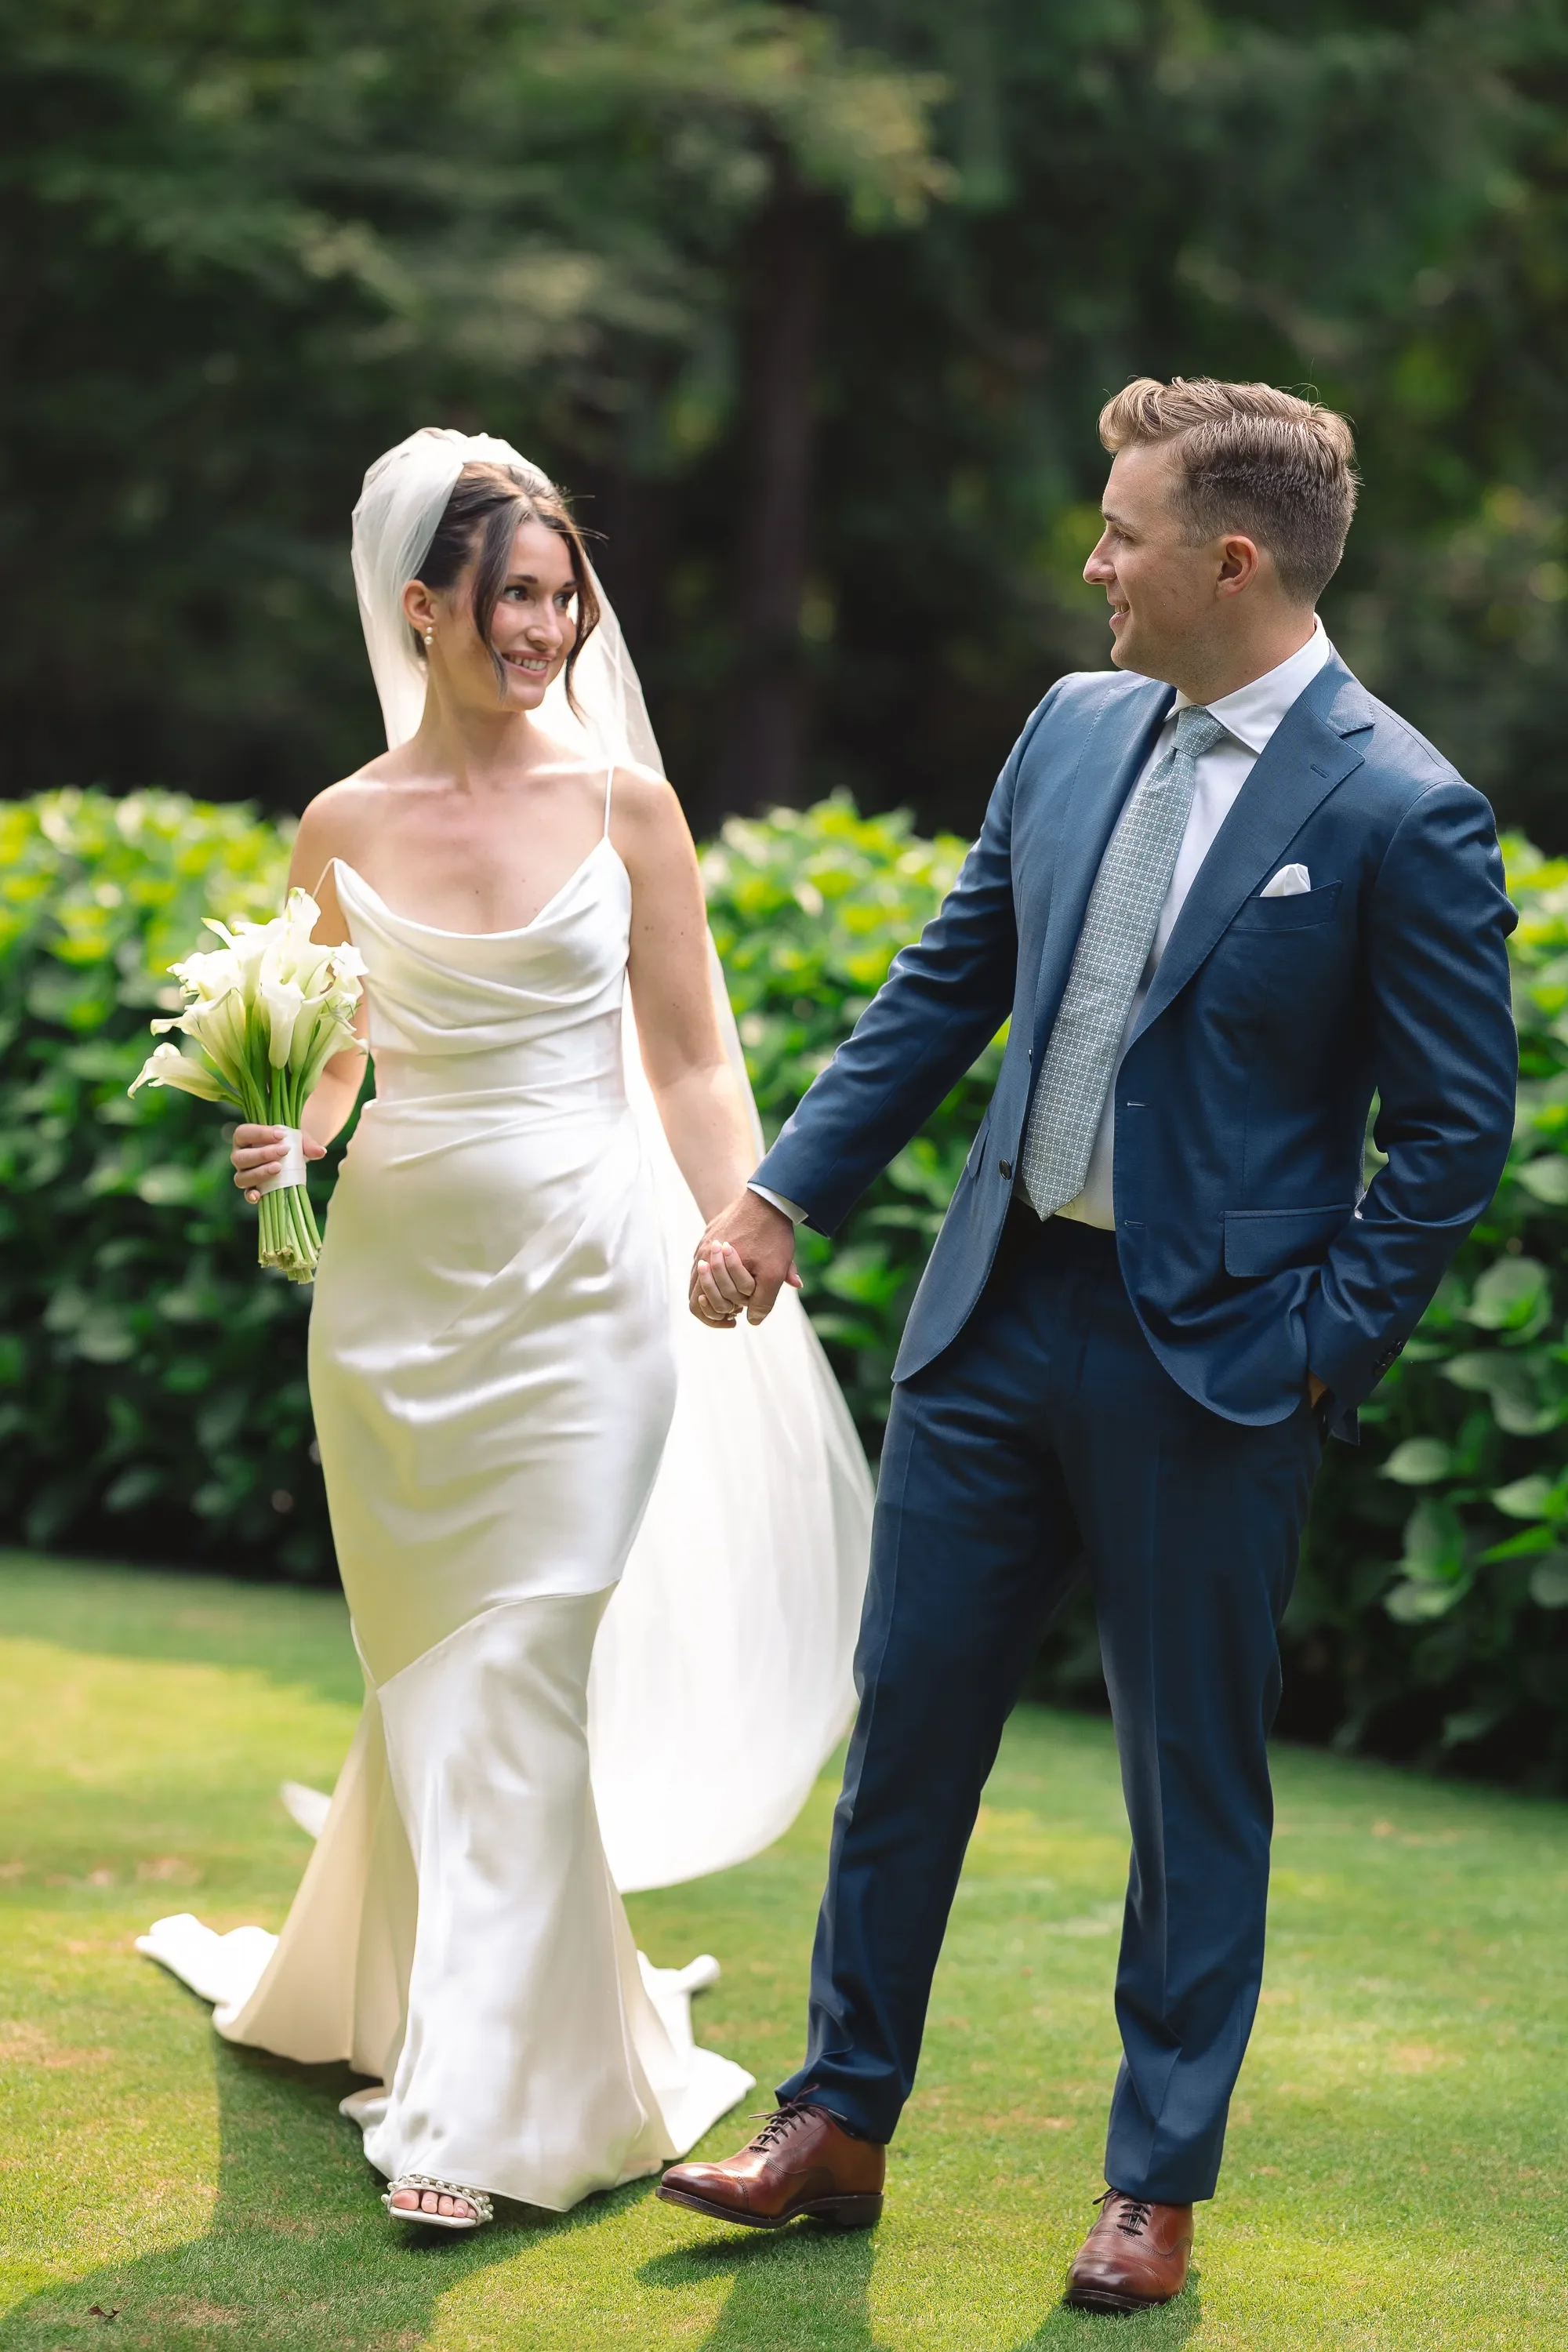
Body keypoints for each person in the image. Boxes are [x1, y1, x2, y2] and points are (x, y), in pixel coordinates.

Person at [661, 379, 1519, 2314]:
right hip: (991, 1323)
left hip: (1215, 1375)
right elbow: (947, 979)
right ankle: (835, 2121)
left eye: (1121, 530)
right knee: (906, 1749)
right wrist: (782, 1193)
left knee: (1185, 1794)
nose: (1091, 560)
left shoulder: (1403, 805)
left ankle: (1151, 2186)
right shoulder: (1068, 728)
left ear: (1231, 559)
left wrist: (1316, 1351)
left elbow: (1457, 1132)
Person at [139, 427, 872, 2230]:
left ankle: (468, 2116)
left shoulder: (627, 808)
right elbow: (325, 1062)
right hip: (391, 1307)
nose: (545, 626)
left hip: (589, 1285)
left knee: (524, 1668)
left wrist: (741, 1214)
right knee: (433, 1686)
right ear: (424, 609)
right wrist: (278, 1140)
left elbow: (693, 1052)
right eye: (513, 596)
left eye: (562, 595)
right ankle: (415, 1998)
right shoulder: (342, 824)